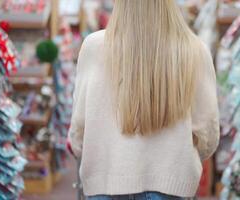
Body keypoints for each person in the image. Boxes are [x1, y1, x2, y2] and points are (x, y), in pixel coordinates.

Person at [68, 0, 220, 199]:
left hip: (105, 184)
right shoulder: (195, 50)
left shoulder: (93, 47)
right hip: (171, 186)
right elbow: (207, 133)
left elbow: (79, 128)